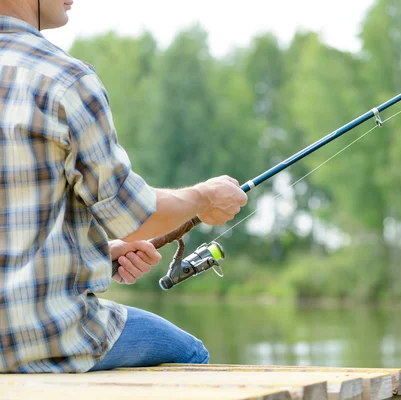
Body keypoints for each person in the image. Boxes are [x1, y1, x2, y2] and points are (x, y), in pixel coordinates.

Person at [0, 0, 248, 373]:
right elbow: (136, 217)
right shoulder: (63, 78)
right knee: (191, 355)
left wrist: (98, 254)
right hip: (41, 338)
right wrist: (205, 197)